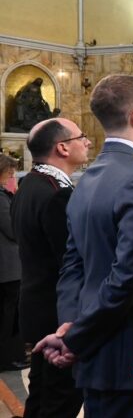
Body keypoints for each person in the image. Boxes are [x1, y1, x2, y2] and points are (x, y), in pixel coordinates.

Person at [33, 74, 133, 418]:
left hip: (92, 354)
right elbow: (128, 278)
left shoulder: (86, 180)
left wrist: (69, 328)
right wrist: (76, 338)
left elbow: (72, 267)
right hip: (129, 357)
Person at [11, 119, 89, 418]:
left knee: (42, 394)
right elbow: (70, 261)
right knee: (61, 400)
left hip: (36, 305)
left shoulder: (30, 183)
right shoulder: (57, 193)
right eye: (82, 137)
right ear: (63, 147)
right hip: (57, 313)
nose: (88, 142)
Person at [0, 154, 26, 372]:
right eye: (9, 172)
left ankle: (11, 355)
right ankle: (7, 358)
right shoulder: (0, 197)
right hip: (8, 267)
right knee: (9, 315)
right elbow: (11, 228)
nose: (12, 175)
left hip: (9, 267)